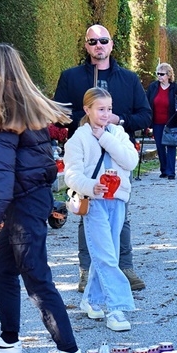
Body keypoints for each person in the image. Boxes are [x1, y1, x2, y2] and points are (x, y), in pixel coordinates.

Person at [0, 43, 82, 353]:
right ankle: (9, 341)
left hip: (22, 203)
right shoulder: (26, 104)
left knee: (36, 276)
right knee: (1, 267)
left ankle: (69, 351)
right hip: (30, 198)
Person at [54, 24, 151, 293]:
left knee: (121, 211)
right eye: (93, 41)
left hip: (118, 154)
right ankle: (87, 270)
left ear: (111, 44)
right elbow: (59, 113)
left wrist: (117, 120)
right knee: (87, 211)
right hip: (85, 154)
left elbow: (145, 116)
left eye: (103, 40)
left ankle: (125, 265)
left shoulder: (129, 79)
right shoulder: (71, 77)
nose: (99, 45)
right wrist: (88, 122)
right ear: (86, 46)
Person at [64, 87, 139, 331]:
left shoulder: (117, 132)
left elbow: (130, 161)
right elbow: (72, 174)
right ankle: (117, 308)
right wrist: (90, 186)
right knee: (106, 254)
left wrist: (105, 137)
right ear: (87, 110)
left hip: (117, 199)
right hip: (94, 201)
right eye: (101, 109)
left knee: (107, 252)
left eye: (109, 109)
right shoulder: (78, 139)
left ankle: (91, 300)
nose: (106, 114)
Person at [146, 63, 177, 179]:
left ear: (169, 75)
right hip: (157, 122)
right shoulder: (153, 87)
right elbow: (147, 102)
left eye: (162, 74)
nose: (159, 76)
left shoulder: (175, 88)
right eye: (158, 74)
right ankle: (164, 169)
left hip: (170, 122)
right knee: (160, 146)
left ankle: (171, 172)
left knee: (171, 146)